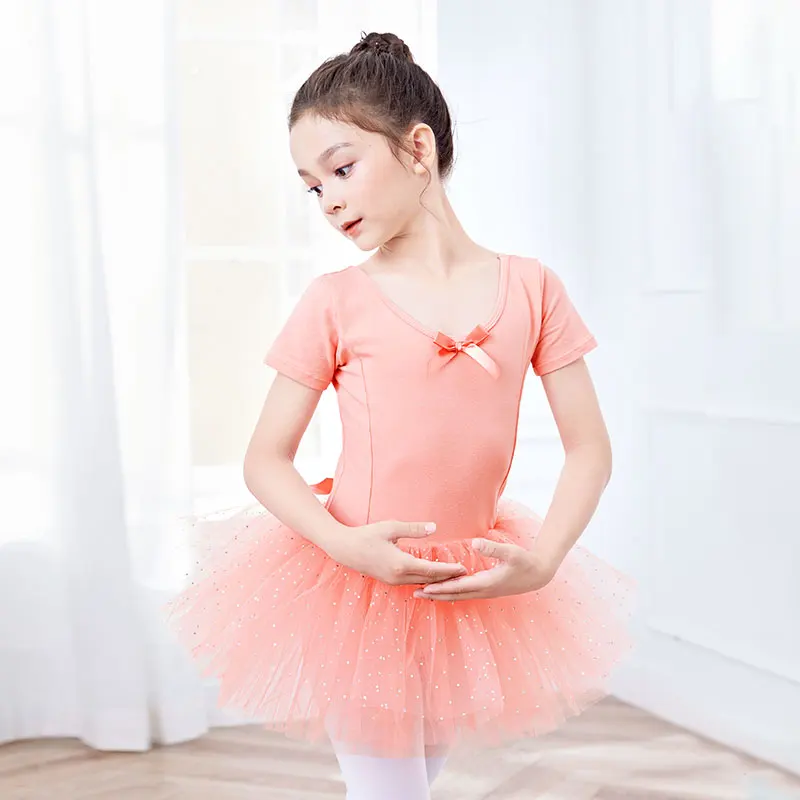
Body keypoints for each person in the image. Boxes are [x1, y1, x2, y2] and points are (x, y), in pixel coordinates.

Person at [164, 31, 635, 800]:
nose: (329, 200)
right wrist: (345, 547)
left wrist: (544, 559)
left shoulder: (531, 289)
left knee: (416, 775)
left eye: (342, 168)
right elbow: (265, 459)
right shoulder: (336, 302)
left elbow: (589, 448)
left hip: (463, 587)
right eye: (312, 187)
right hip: (357, 590)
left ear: (418, 148)